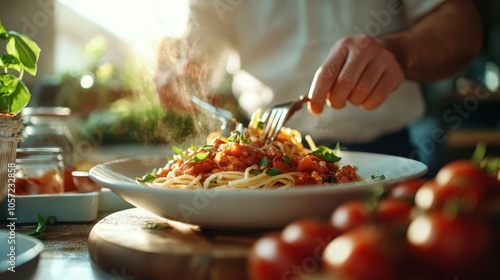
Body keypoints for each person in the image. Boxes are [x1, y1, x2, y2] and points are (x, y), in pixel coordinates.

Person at [155, 0, 482, 159]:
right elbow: (201, 34)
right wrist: (180, 66)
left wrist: (400, 50)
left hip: (387, 155)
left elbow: (462, 25)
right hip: (264, 155)